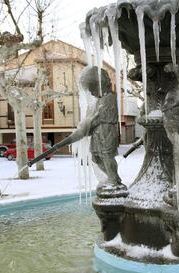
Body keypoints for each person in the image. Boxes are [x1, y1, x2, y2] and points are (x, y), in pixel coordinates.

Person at [28, 66, 126, 196]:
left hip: (106, 132)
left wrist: (85, 128)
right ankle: (111, 177)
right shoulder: (99, 101)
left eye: (92, 89)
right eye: (90, 91)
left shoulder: (109, 98)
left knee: (107, 157)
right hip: (97, 133)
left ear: (100, 85)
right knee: (97, 158)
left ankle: (114, 179)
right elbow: (89, 124)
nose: (91, 93)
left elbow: (93, 121)